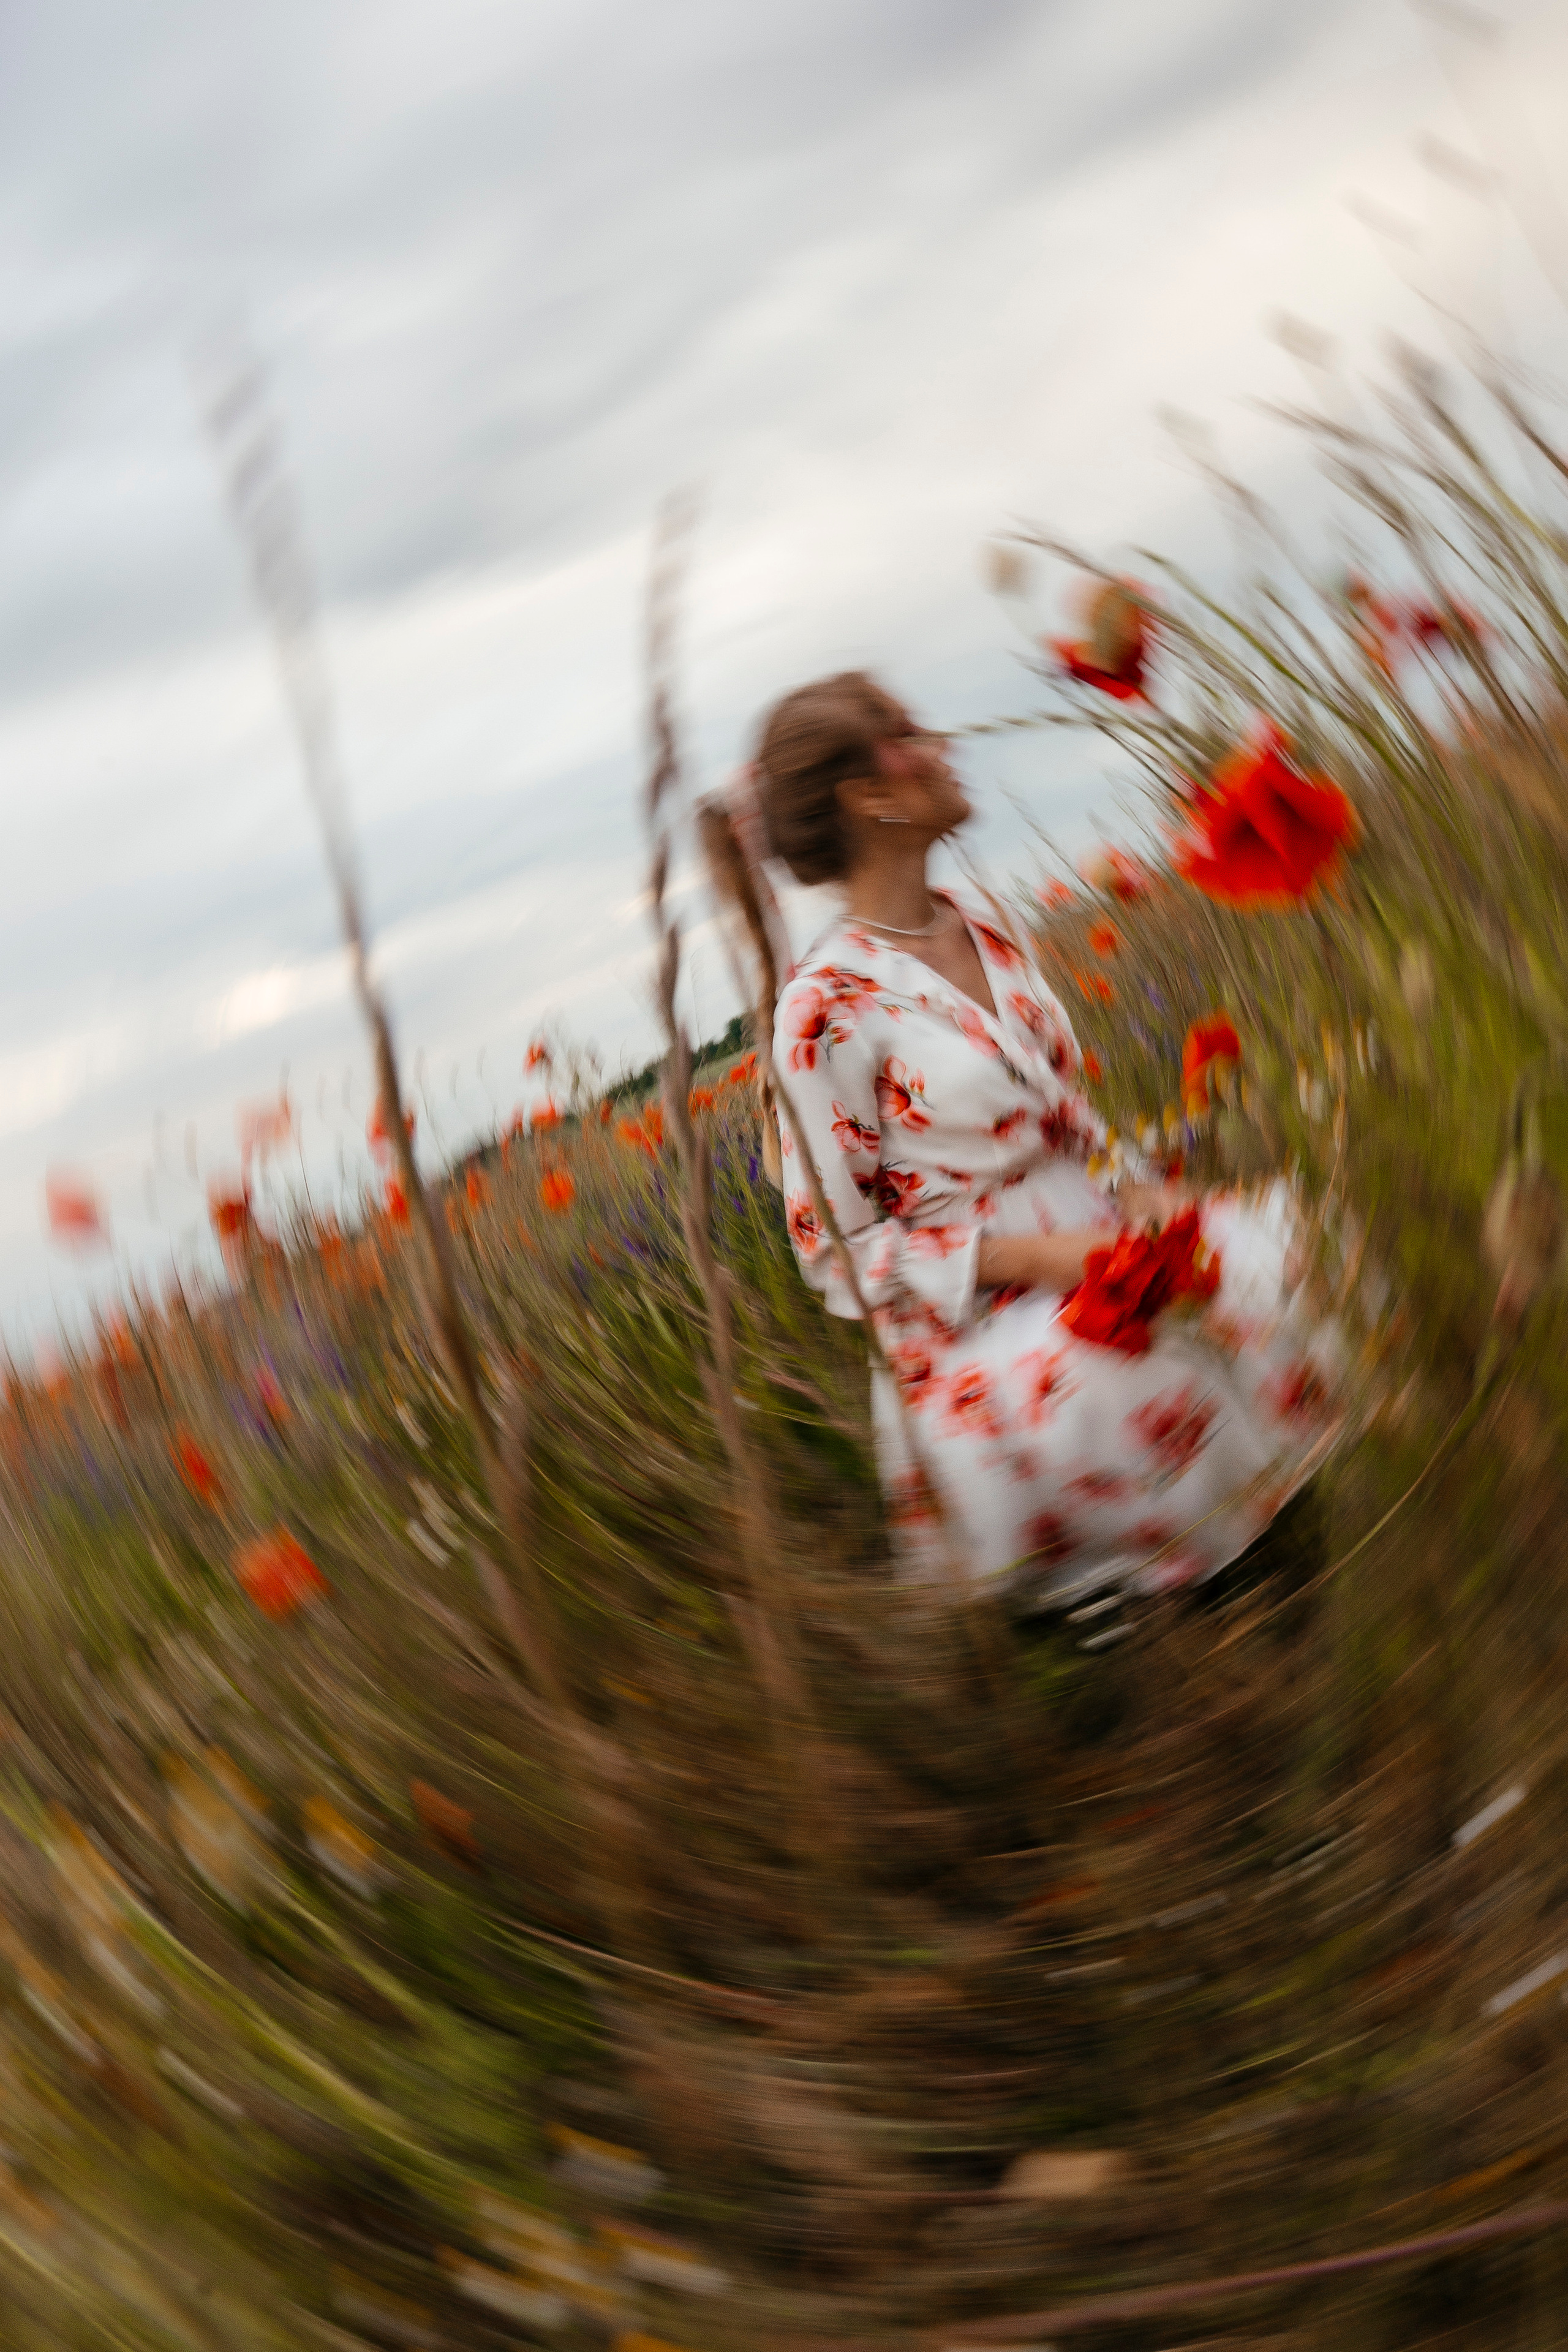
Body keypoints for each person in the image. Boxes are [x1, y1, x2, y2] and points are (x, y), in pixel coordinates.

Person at [750, 671, 1338, 1607]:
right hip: (982, 1317)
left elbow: (1064, 1110)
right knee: (1142, 1384)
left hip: (1102, 1228)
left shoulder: (982, 923)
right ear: (868, 798)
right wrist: (1052, 1260)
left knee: (1291, 1260)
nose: (944, 746)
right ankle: (1217, 1627)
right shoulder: (821, 1010)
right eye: (909, 733)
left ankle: (1302, 1581)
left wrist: (1141, 1188)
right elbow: (836, 1253)